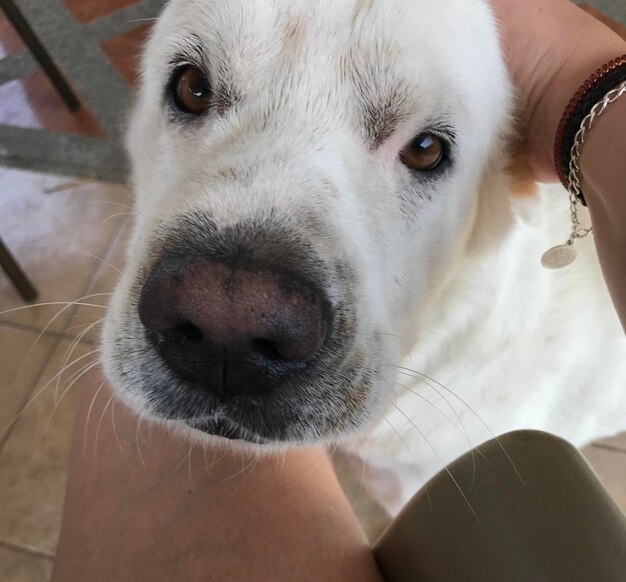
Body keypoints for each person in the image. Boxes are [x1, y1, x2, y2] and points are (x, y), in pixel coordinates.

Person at [51, 1, 626, 580]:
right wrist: (578, 74)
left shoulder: (494, 428)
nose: (229, 318)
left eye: (422, 150)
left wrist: (573, 80)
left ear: (513, 181)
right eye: (196, 92)